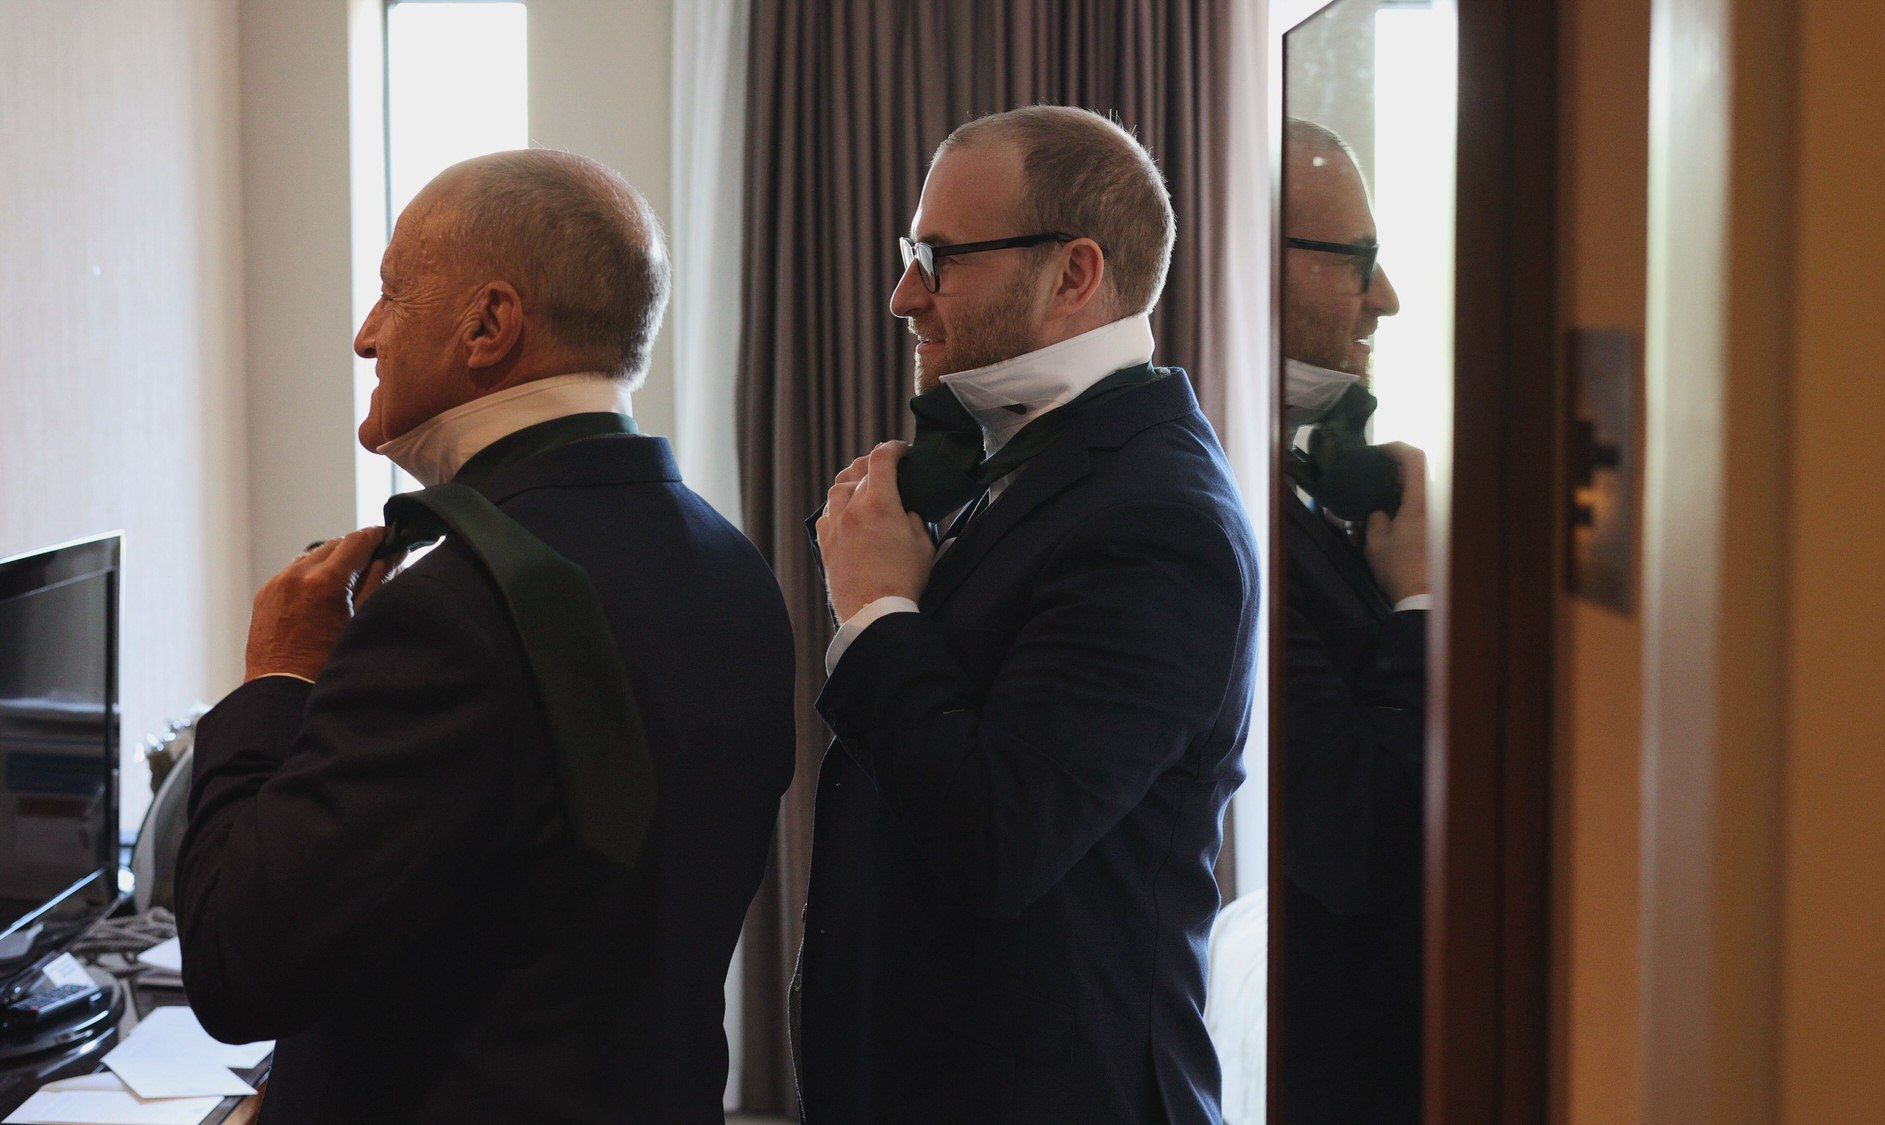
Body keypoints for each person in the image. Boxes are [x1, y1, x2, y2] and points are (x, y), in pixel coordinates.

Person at [174, 150, 795, 1125]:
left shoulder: (455, 610)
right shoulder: (731, 565)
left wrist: (277, 679)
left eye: (390, 294)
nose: (364, 335)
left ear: (489, 324)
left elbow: (235, 966)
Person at [798, 106, 1259, 1124]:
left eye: (939, 257)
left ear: (1074, 274)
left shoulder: (1159, 519)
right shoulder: (1039, 461)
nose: (902, 295)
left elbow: (999, 837)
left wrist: (876, 608)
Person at [1278, 118, 1428, 1122]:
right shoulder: (1236, 519)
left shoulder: (1316, 503)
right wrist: (1417, 603)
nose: (1384, 299)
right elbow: (1353, 833)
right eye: (1358, 263)